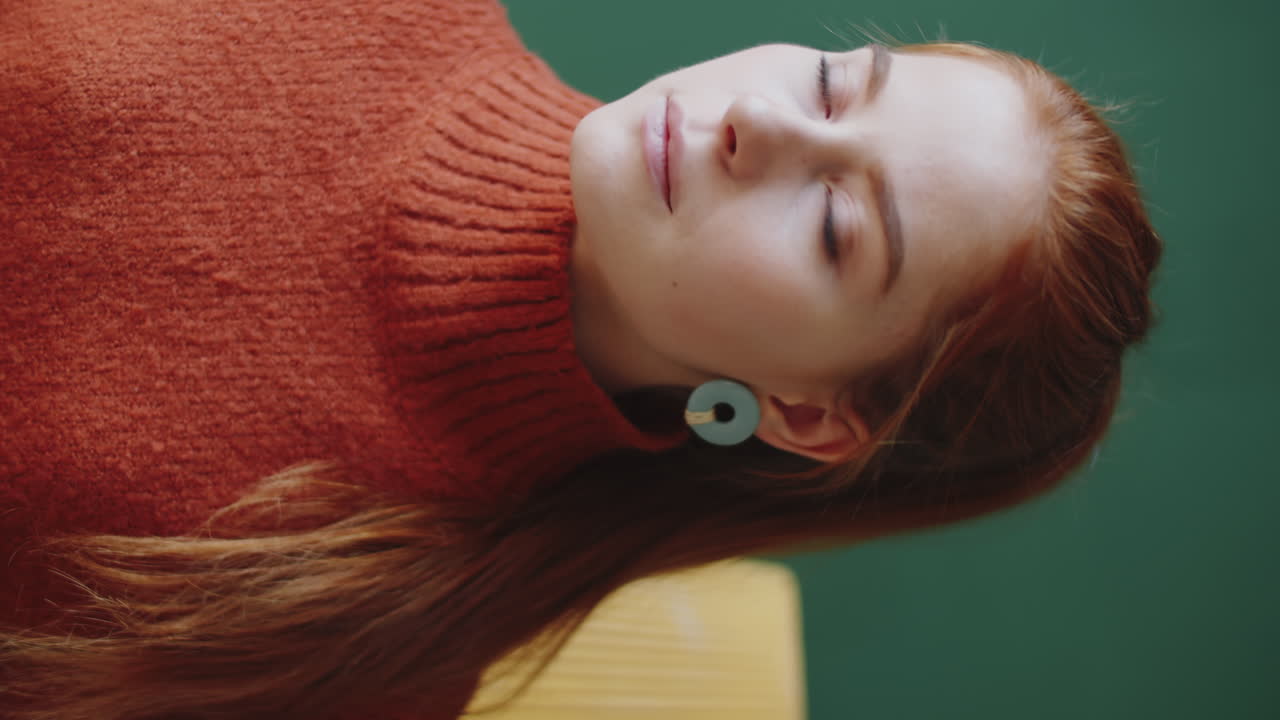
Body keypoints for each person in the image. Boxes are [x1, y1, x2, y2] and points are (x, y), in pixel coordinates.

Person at [0, 0, 1162, 718]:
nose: (760, 120)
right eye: (831, 80)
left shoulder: (362, 632)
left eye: (832, 227)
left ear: (811, 417)